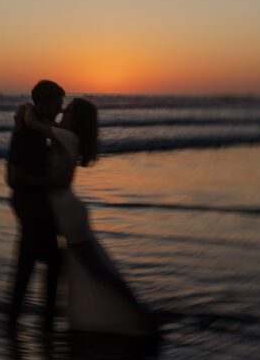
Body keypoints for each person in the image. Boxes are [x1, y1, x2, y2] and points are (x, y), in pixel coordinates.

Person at [19, 99, 158, 337]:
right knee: (95, 269)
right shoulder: (66, 135)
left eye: (68, 109)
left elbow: (31, 122)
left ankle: (140, 316)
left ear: (76, 119)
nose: (63, 111)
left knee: (98, 271)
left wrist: (27, 106)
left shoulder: (67, 137)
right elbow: (44, 123)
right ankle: (135, 313)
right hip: (66, 210)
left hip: (68, 214)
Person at [6, 79, 65, 332]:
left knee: (32, 263)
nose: (59, 110)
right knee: (40, 262)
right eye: (57, 104)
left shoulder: (35, 127)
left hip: (37, 204)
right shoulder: (26, 134)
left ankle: (19, 319)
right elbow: (13, 177)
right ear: (43, 103)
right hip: (31, 205)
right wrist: (46, 183)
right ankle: (42, 322)